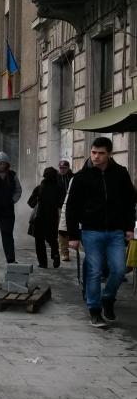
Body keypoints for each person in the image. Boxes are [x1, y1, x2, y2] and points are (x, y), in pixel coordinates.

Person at [66, 136, 136, 328]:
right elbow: (71, 207)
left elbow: (130, 201)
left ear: (109, 154)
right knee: (95, 271)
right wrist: (72, 236)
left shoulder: (120, 174)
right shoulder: (81, 177)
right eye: (93, 152)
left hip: (115, 232)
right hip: (91, 231)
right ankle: (94, 309)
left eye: (101, 153)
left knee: (120, 269)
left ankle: (108, 298)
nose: (96, 157)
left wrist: (129, 227)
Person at [27, 167, 64, 268]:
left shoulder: (39, 188)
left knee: (39, 242)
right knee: (52, 239)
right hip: (52, 218)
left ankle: (43, 263)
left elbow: (30, 203)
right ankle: (55, 255)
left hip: (39, 219)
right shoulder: (59, 189)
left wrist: (38, 201)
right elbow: (61, 204)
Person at [57, 159, 75, 261]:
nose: (62, 170)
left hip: (72, 206)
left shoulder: (73, 177)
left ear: (68, 168)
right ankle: (64, 252)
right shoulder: (56, 178)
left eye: (64, 168)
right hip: (60, 207)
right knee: (61, 230)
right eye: (61, 168)